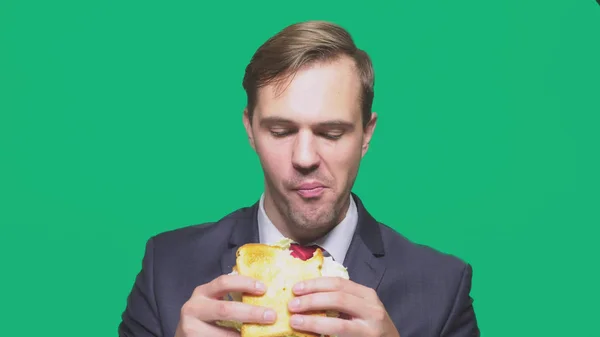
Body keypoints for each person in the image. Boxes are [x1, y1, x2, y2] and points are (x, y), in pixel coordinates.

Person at [118, 20, 480, 337]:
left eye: (332, 133)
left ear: (366, 135)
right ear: (250, 129)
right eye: (280, 130)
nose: (305, 158)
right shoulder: (164, 269)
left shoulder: (442, 289)